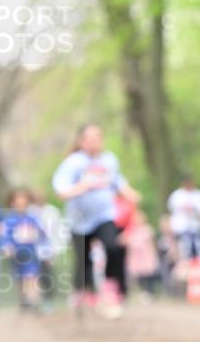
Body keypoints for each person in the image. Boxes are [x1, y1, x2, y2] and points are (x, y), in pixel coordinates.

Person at [52, 123, 138, 318]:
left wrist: (130, 193)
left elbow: (118, 181)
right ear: (81, 141)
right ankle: (84, 293)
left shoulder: (109, 160)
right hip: (79, 220)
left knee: (113, 247)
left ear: (102, 140)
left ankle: (110, 290)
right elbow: (61, 190)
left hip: (104, 215)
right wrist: (80, 187)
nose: (93, 143)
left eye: (97, 138)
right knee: (83, 261)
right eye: (88, 139)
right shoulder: (73, 163)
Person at [4, 188, 47, 311]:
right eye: (18, 203)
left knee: (32, 276)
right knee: (20, 278)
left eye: (24, 203)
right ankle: (23, 301)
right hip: (16, 254)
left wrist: (40, 235)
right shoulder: (10, 219)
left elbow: (42, 233)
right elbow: (6, 236)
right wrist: (7, 246)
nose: (21, 206)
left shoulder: (33, 218)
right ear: (13, 204)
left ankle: (34, 302)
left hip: (30, 253)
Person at [28, 190, 70, 308]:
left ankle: (48, 300)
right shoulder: (30, 211)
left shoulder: (52, 211)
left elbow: (59, 231)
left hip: (48, 249)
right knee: (32, 276)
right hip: (32, 250)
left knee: (47, 275)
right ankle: (33, 301)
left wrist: (57, 249)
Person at [166, 175, 200, 259]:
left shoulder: (199, 196)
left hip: (196, 229)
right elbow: (170, 213)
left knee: (199, 251)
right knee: (183, 252)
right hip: (180, 230)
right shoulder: (176, 196)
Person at [121, 209, 160, 295]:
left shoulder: (147, 229)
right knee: (138, 275)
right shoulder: (130, 230)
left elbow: (152, 244)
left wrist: (153, 254)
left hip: (146, 255)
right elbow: (124, 242)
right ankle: (142, 291)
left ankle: (149, 291)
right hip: (135, 256)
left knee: (148, 274)